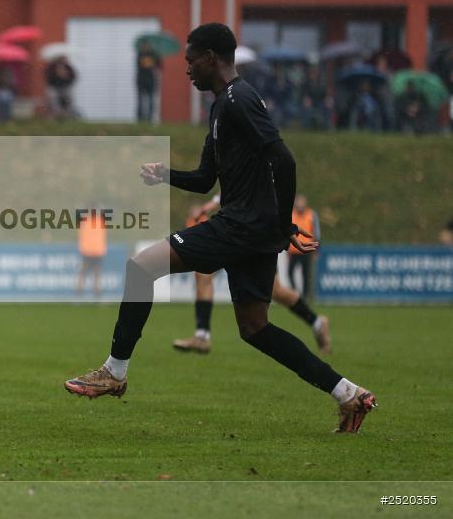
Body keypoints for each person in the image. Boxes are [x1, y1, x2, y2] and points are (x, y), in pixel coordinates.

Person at [65, 23, 375, 434]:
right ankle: (349, 394)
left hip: (243, 226)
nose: (187, 70)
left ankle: (114, 372)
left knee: (142, 267)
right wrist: (165, 176)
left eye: (191, 61)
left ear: (211, 58)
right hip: (253, 229)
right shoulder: (222, 106)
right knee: (255, 329)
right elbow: (205, 179)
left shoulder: (238, 99)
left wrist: (280, 223)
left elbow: (283, 159)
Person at [174, 200, 331, 354]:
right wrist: (216, 201)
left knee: (276, 291)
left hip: (255, 236)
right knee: (203, 275)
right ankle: (202, 336)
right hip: (230, 233)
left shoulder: (264, 184)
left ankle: (316, 322)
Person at [287, 194, 320, 299]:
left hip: (307, 250)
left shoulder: (311, 214)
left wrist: (316, 249)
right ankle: (295, 293)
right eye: (298, 202)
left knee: (306, 274)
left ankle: (305, 296)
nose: (300, 204)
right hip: (293, 250)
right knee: (290, 272)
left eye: (302, 202)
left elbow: (317, 232)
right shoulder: (291, 214)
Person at [76, 206, 107, 298]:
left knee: (84, 272)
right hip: (97, 250)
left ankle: (79, 291)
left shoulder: (84, 221)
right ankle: (96, 291)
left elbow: (77, 214)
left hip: (88, 250)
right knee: (96, 272)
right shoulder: (101, 221)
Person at [136, 41, 160, 124]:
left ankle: (150, 119)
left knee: (151, 101)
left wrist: (157, 56)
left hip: (150, 80)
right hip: (141, 80)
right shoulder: (140, 54)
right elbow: (141, 64)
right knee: (140, 101)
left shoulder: (154, 54)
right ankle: (140, 119)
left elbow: (159, 65)